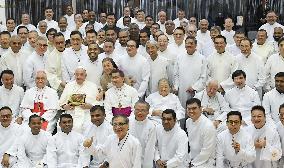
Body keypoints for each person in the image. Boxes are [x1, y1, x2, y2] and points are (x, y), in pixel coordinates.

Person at [59, 67, 98, 133]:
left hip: (87, 113)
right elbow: (61, 103)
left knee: (89, 127)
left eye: (81, 74)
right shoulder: (69, 85)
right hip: (71, 113)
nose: (78, 77)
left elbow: (99, 103)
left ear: (85, 76)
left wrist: (91, 106)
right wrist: (65, 106)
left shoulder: (93, 86)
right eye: (77, 74)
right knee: (61, 126)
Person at [174, 36, 207, 107]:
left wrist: (194, 87)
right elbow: (176, 74)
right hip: (182, 90)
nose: (189, 45)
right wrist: (176, 87)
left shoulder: (202, 58)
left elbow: (204, 76)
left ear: (195, 45)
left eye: (191, 43)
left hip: (196, 91)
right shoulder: (179, 57)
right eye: (187, 43)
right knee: (183, 109)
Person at [186, 98, 216, 167]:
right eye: (189, 109)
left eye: (194, 108)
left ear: (200, 109)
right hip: (192, 157)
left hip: (206, 161)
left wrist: (193, 164)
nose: (191, 111)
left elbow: (207, 151)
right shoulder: (188, 121)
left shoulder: (208, 126)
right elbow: (192, 145)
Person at [129, 100, 156, 168]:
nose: (140, 112)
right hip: (128, 158)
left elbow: (150, 149)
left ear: (147, 112)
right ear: (134, 110)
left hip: (143, 160)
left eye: (143, 110)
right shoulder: (127, 122)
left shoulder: (151, 126)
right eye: (137, 110)